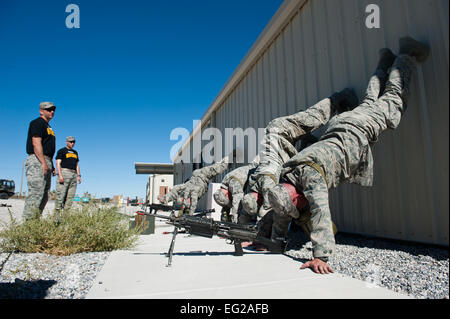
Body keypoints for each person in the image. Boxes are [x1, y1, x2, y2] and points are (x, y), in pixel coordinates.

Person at [267, 37, 430, 274]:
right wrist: (271, 242)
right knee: (369, 102)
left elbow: (321, 212)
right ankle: (383, 63)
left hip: (357, 128)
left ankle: (405, 54)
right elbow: (281, 210)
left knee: (393, 101)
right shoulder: (287, 177)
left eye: (296, 205)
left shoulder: (310, 180)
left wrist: (320, 256)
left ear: (294, 197)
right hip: (340, 124)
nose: (299, 207)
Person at [242, 88, 359, 220]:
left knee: (314, 117)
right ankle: (342, 113)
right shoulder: (253, 186)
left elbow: (269, 208)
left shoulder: (267, 184)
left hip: (280, 132)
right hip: (281, 139)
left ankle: (339, 97)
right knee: (305, 138)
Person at [162, 152, 236, 214]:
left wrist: (189, 215)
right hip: (197, 174)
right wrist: (166, 198)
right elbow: (175, 189)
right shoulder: (186, 190)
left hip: (204, 175)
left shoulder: (193, 193)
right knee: (217, 167)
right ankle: (227, 160)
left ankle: (230, 156)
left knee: (219, 168)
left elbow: (193, 205)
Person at [22, 102, 57, 220]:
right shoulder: (37, 123)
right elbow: (36, 143)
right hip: (37, 160)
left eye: (53, 109)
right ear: (41, 111)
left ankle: (35, 223)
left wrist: (50, 165)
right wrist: (43, 163)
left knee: (44, 195)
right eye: (48, 109)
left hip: (46, 160)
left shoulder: (49, 127)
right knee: (36, 193)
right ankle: (28, 226)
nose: (52, 111)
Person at [213, 155, 260, 223]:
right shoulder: (225, 184)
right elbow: (226, 204)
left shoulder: (234, 184)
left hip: (257, 170)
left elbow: (237, 206)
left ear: (226, 194)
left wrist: (235, 223)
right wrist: (224, 217)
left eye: (229, 199)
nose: (230, 201)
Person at [55, 136, 81, 212]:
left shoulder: (75, 152)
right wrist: (60, 175)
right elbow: (58, 163)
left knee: (70, 197)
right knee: (61, 196)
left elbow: (77, 165)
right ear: (67, 142)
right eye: (70, 142)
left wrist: (79, 175)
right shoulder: (62, 151)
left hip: (73, 175)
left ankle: (65, 216)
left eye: (73, 142)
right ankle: (56, 217)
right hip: (64, 173)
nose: (72, 143)